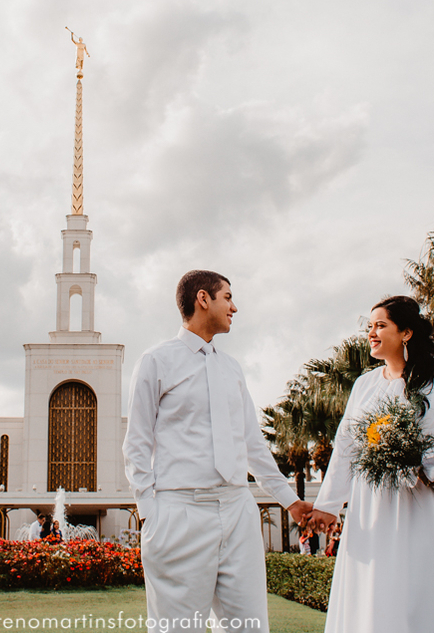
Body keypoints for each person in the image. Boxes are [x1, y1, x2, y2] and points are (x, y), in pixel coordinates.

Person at [123, 270, 314, 633]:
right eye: (228, 297)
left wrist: (291, 501)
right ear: (203, 299)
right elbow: (136, 442)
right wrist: (150, 514)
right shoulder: (156, 361)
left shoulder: (232, 368)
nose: (235, 307)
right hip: (179, 513)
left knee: (250, 627)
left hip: (238, 510)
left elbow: (253, 445)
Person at [305, 295, 434, 632]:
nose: (371, 333)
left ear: (405, 332)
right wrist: (329, 505)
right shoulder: (364, 386)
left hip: (428, 505)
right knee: (376, 595)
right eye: (369, 327)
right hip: (373, 509)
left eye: (380, 325)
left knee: (425, 594)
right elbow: (346, 448)